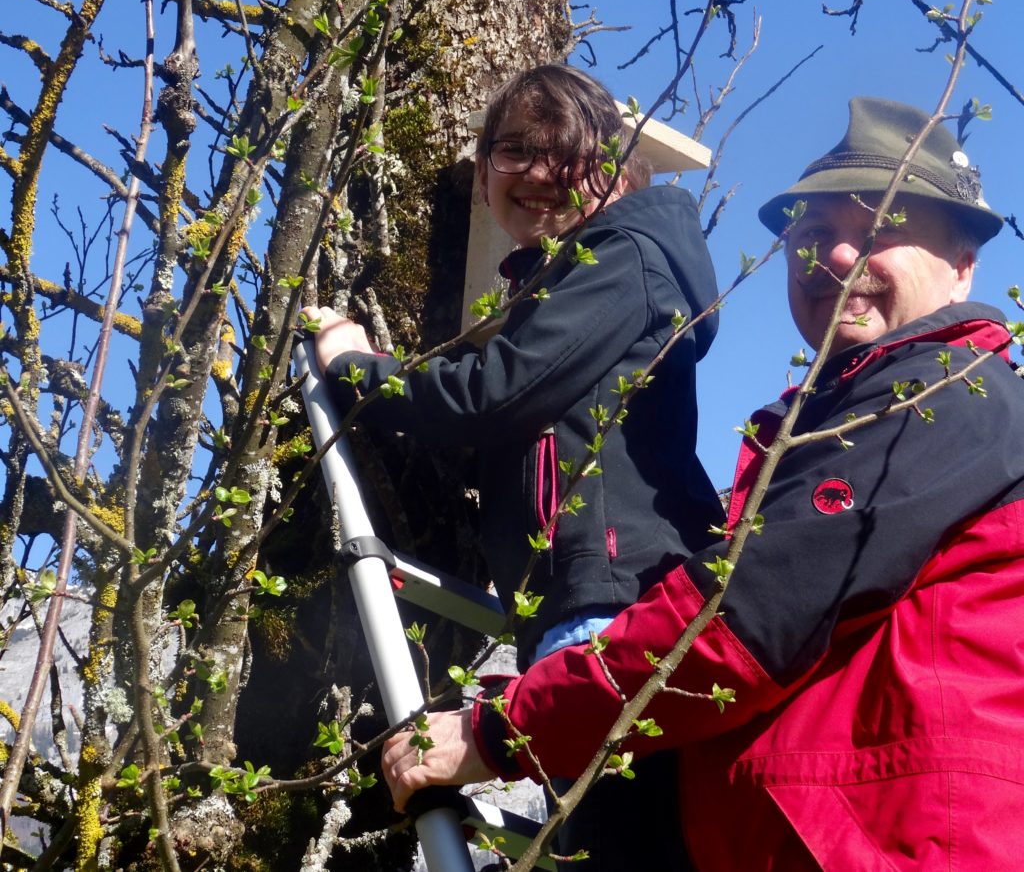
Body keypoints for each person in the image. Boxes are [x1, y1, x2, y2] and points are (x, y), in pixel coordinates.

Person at [380, 96, 1024, 870]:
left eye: (881, 226)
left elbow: (744, 613)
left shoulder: (948, 397)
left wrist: (500, 728)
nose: (840, 258)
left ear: (962, 264)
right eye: (815, 236)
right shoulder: (851, 414)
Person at [303, 64, 724, 868]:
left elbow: (494, 395)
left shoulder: (622, 257)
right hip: (576, 602)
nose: (533, 173)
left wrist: (356, 365)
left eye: (560, 153)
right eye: (510, 151)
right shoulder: (569, 276)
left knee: (616, 844)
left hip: (610, 598)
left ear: (618, 167)